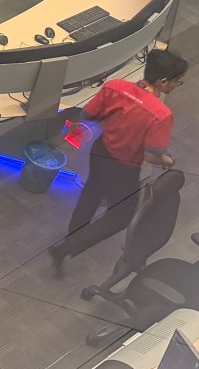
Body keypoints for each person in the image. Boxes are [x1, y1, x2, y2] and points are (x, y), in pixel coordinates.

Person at [48, 47, 187, 276]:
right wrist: (166, 160)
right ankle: (64, 249)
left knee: (92, 193)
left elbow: (87, 115)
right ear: (162, 82)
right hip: (123, 167)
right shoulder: (161, 114)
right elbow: (150, 154)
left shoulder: (115, 86)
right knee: (120, 217)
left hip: (101, 150)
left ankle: (74, 235)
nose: (175, 86)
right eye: (176, 82)